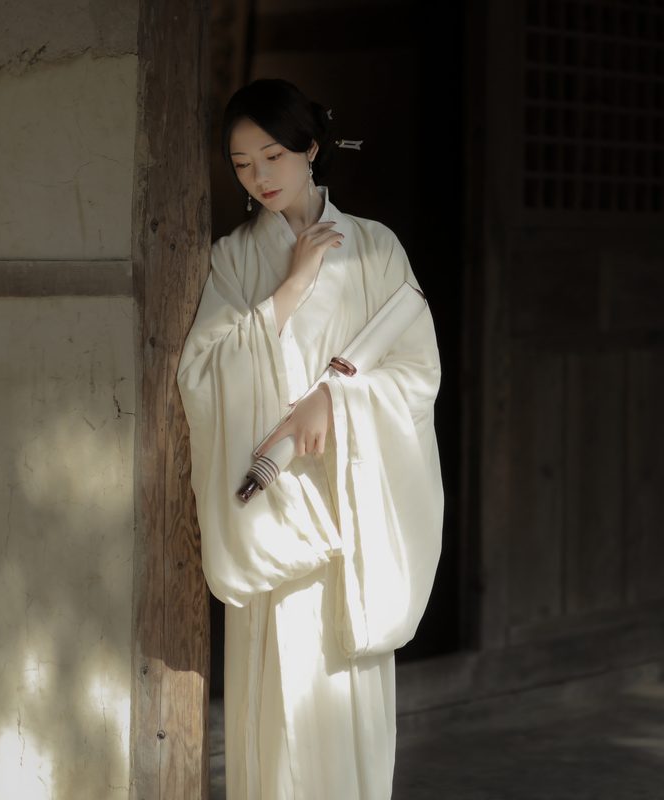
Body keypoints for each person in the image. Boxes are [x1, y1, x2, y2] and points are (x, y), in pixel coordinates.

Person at [177, 78, 443, 800]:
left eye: (273, 156)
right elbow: (201, 373)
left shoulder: (376, 248)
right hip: (275, 509)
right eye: (241, 164)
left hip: (351, 501)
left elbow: (417, 371)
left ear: (312, 148)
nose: (259, 177)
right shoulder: (233, 259)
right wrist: (291, 287)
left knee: (341, 700)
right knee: (277, 712)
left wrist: (336, 401)